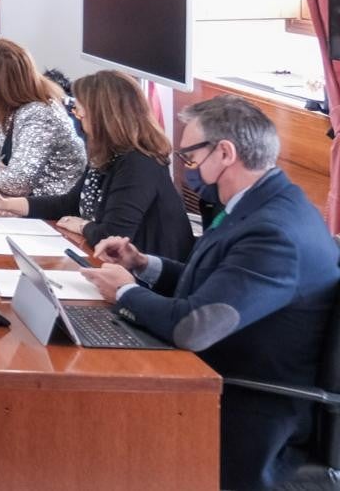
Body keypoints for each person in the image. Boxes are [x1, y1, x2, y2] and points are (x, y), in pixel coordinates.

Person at [80, 95, 340, 490]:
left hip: (245, 406)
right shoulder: (262, 203)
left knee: (90, 411)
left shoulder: (276, 232)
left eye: (190, 157)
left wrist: (127, 293)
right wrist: (144, 265)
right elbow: (218, 282)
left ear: (225, 152)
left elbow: (194, 327)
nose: (188, 168)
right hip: (213, 374)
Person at [0, 70, 193, 258]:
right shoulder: (107, 152)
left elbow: (113, 236)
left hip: (145, 277)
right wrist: (5, 204)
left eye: (80, 111)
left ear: (103, 117)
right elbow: (68, 204)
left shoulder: (138, 163)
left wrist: (82, 226)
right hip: (107, 262)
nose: (78, 117)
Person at [0, 39, 86, 197]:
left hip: (47, 212)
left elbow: (17, 183)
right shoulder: (15, 107)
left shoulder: (40, 113)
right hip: (20, 203)